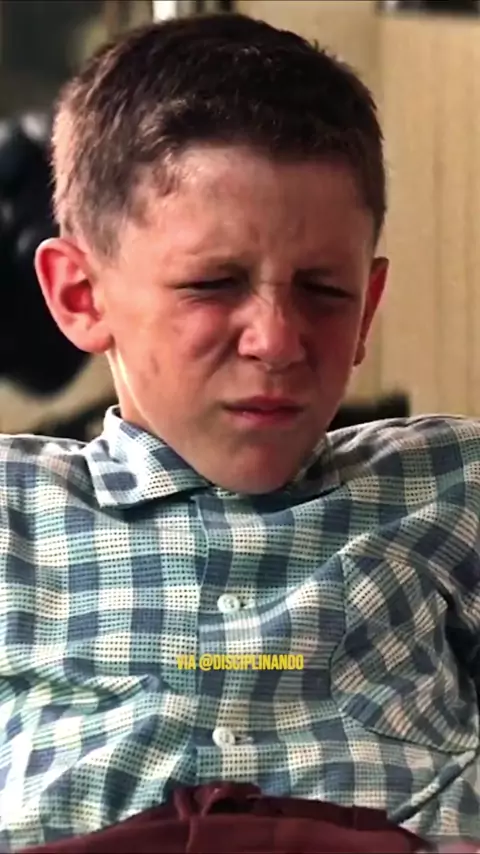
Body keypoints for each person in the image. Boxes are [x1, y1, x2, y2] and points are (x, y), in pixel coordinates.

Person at [0, 10, 479, 854]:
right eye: (213, 283)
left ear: (367, 307)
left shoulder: (450, 487)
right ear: (81, 296)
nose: (278, 341)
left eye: (323, 291)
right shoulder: (14, 512)